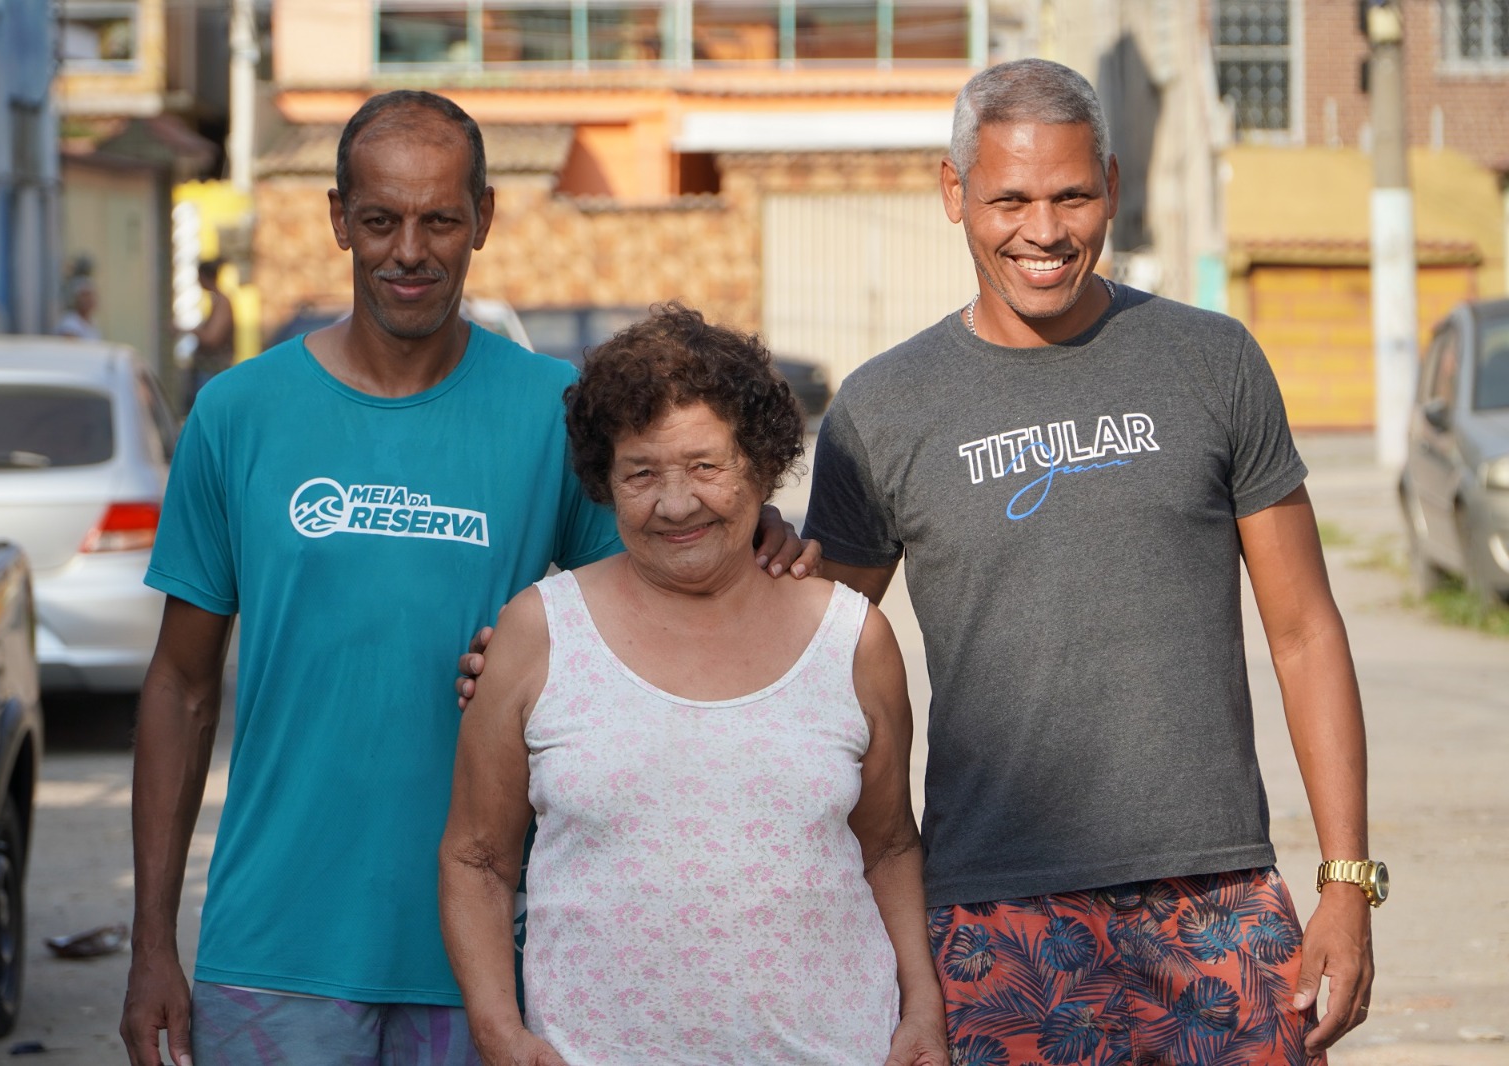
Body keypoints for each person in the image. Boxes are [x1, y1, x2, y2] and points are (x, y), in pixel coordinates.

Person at [118, 91, 813, 1066]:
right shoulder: (238, 416)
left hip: (500, 954)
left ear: (483, 217)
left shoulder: (557, 415)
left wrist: (750, 528)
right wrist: (151, 941)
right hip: (277, 948)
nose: (410, 249)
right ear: (337, 220)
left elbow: (657, 607)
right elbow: (181, 686)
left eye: (440, 218)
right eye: (380, 220)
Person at [800, 58, 1380, 1065]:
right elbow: (805, 664)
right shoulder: (882, 410)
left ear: (1111, 182)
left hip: (1218, 900)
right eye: (1010, 197)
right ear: (953, 193)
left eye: (1072, 194)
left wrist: (1345, 881)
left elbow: (1304, 629)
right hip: (991, 913)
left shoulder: (1211, 360)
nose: (1044, 229)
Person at [439, 304, 948, 1066]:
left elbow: (888, 846)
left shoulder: (852, 639)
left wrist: (923, 1011)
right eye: (641, 473)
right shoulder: (539, 633)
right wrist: (498, 1031)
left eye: (706, 467)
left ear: (763, 463)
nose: (676, 504)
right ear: (604, 483)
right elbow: (477, 857)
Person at [187, 258, 235, 403]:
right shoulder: (215, 301)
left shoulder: (222, 302)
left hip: (213, 368)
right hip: (208, 368)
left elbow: (212, 337)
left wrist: (190, 330)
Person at [57, 274, 101, 339]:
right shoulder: (69, 323)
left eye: (91, 295)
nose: (89, 299)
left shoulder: (93, 324)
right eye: (85, 295)